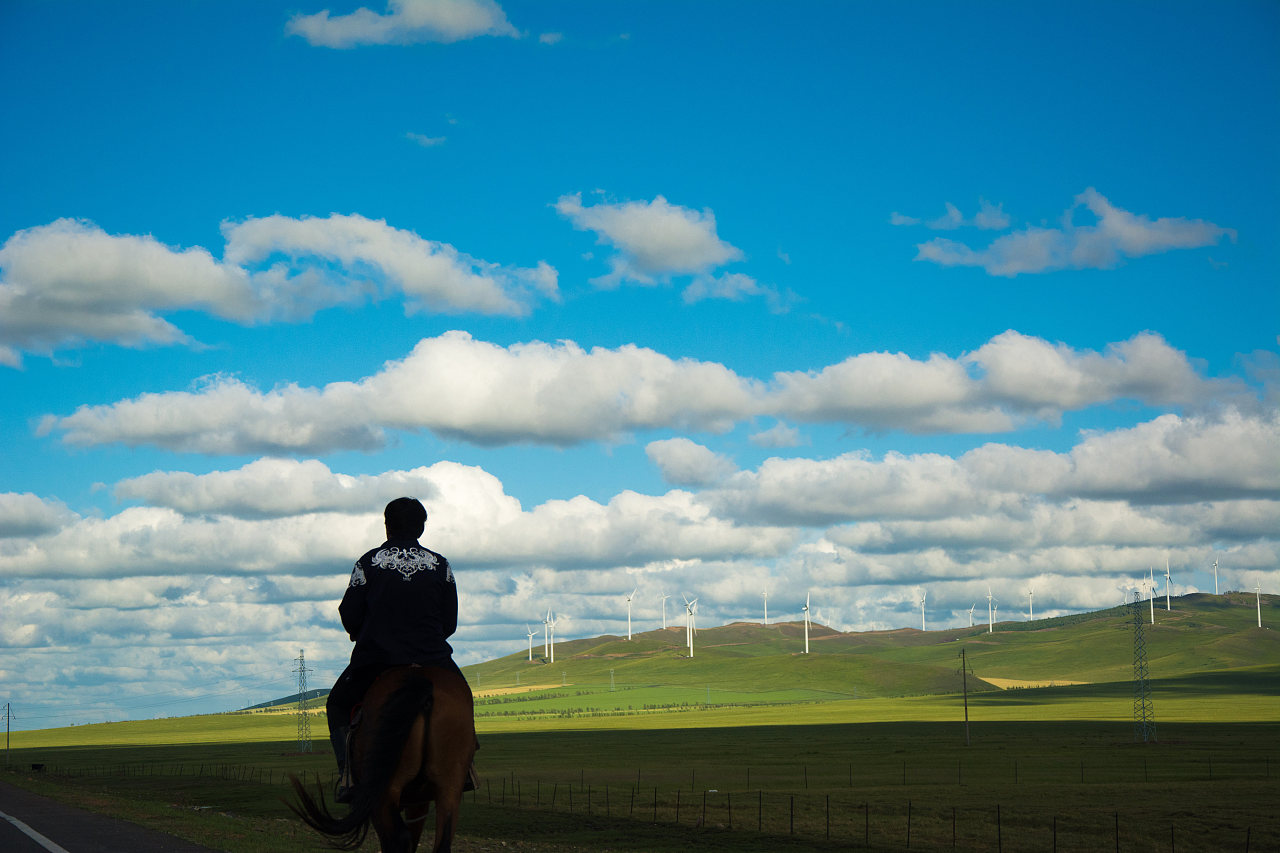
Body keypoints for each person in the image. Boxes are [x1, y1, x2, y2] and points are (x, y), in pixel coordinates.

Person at [326, 497, 472, 802]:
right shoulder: (440, 565)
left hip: (378, 660)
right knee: (463, 698)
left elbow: (349, 613)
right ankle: (465, 767)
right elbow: (450, 621)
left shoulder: (368, 563)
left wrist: (361, 634)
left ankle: (349, 776)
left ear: (387, 525)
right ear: (421, 527)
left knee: (338, 704)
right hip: (433, 658)